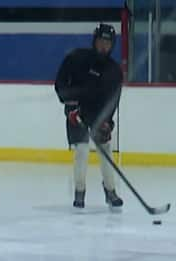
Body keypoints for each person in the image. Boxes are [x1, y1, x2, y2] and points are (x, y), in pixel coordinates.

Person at [54, 23, 124, 210]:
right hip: (75, 114)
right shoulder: (77, 58)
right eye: (101, 42)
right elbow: (60, 84)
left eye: (108, 44)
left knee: (106, 151)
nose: (103, 46)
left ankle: (110, 191)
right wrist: (71, 107)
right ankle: (79, 191)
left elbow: (113, 101)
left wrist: (107, 123)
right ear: (94, 41)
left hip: (98, 117)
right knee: (82, 151)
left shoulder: (114, 71)